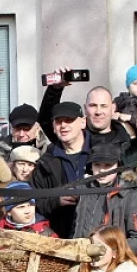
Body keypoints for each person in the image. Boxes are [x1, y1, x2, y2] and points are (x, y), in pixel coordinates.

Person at [31, 101, 92, 238]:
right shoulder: (44, 164)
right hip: (60, 239)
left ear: (82, 122)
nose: (63, 125)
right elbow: (34, 203)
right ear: (53, 127)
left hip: (98, 236)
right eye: (58, 121)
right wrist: (56, 201)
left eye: (69, 120)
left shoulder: (101, 155)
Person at [72, 142, 137, 254]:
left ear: (118, 166)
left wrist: (111, 252)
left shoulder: (130, 196)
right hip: (81, 260)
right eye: (97, 164)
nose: (102, 170)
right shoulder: (82, 191)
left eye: (108, 165)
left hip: (114, 264)